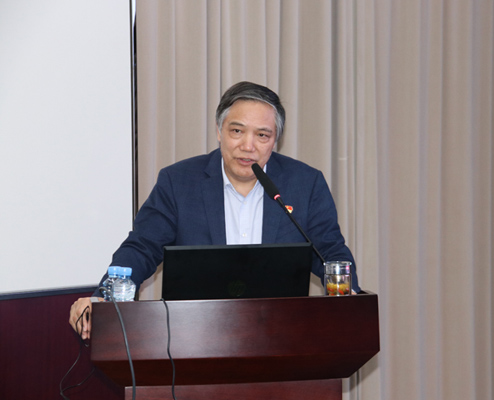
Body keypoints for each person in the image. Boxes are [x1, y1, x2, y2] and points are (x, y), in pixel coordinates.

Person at [69, 81, 360, 339]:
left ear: (275, 141)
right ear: (219, 131)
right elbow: (142, 247)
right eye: (237, 131)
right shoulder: (179, 182)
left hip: (282, 335)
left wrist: (350, 296)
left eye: (262, 135)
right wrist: (103, 298)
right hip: (195, 336)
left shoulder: (305, 183)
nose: (248, 146)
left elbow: (329, 251)